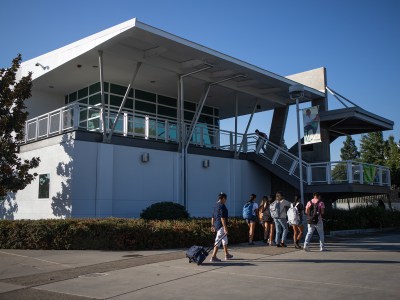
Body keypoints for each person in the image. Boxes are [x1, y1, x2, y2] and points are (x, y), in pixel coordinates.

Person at [210, 192, 233, 262]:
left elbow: (213, 217)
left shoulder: (216, 205)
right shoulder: (222, 206)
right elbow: (223, 218)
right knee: (218, 241)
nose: (225, 200)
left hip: (217, 225)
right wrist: (225, 228)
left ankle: (227, 254)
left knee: (224, 240)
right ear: (223, 198)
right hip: (221, 226)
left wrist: (212, 225)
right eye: (225, 199)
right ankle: (213, 256)